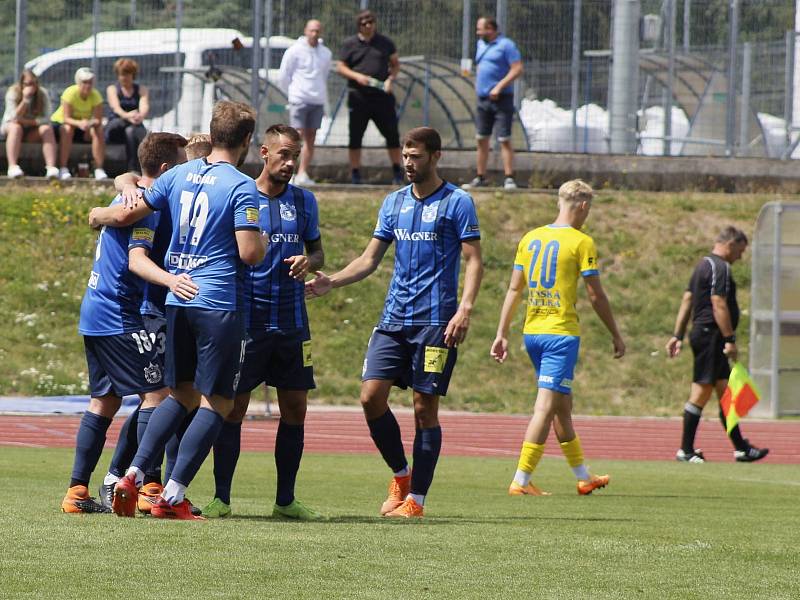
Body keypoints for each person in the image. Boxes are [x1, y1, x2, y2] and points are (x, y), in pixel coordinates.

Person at [90, 100, 267, 520]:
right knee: (218, 401)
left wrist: (102, 210)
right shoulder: (242, 186)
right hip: (218, 301)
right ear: (246, 140)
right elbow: (248, 252)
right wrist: (263, 244)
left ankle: (131, 474)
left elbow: (134, 207)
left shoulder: (180, 175)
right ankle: (172, 495)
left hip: (177, 298)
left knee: (180, 392)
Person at [306, 127, 483, 518]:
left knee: (424, 409)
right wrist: (331, 281)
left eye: (416, 156)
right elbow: (370, 259)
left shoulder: (458, 202)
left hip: (436, 324)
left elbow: (473, 260)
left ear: (435, 157)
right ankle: (401, 475)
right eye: (404, 155)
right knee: (371, 397)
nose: (408, 162)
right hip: (393, 320)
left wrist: (464, 309)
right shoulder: (393, 203)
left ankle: (416, 501)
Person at [61, 133, 190, 514]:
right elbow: (134, 253)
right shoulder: (143, 207)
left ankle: (77, 493)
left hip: (95, 311)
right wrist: (170, 280)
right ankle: (146, 485)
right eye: (181, 166)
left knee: (105, 400)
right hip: (119, 315)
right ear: (166, 170)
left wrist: (119, 185)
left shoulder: (128, 194)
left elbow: (114, 203)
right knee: (158, 396)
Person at [202, 124, 325, 520]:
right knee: (233, 408)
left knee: (295, 409)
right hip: (247, 322)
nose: (290, 163)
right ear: (264, 152)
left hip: (292, 323)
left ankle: (285, 500)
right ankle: (222, 497)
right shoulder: (240, 194)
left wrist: (311, 261)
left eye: (296, 155)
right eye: (284, 154)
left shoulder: (305, 202)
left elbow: (318, 252)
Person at [490, 179, 624, 496]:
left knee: (562, 406)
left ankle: (583, 476)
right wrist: (615, 333)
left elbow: (514, 289)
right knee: (545, 408)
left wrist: (501, 333)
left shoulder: (531, 238)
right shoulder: (581, 242)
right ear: (584, 206)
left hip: (532, 332)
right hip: (560, 335)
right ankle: (521, 481)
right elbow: (596, 295)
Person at [666, 226, 769, 463]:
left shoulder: (702, 264)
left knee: (726, 393)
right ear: (730, 244)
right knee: (701, 392)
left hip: (704, 335)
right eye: (740, 251)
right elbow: (718, 302)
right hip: (711, 335)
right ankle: (685, 450)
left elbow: (687, 300)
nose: (740, 257)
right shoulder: (719, 267)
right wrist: (729, 339)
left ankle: (741, 448)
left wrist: (678, 335)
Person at [337, 10, 402, 185]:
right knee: (356, 137)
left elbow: (395, 64)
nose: (368, 25)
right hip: (359, 97)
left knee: (392, 135)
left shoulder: (385, 43)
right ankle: (356, 173)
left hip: (382, 97)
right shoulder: (350, 44)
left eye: (371, 22)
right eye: (364, 23)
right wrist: (357, 76)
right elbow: (341, 67)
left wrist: (390, 79)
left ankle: (398, 171)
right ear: (359, 26)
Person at [462, 17, 523, 191]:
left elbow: (517, 69)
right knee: (481, 138)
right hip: (483, 100)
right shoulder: (481, 45)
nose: (477, 32)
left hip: (502, 98)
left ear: (490, 29)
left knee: (504, 139)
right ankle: (480, 176)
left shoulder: (506, 45)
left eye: (480, 29)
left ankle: (509, 177)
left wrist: (499, 87)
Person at [279, 19, 332, 187]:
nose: (314, 34)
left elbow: (324, 75)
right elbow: (284, 75)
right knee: (296, 136)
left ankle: (303, 173)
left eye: (317, 30)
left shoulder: (326, 53)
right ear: (305, 30)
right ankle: (289, 172)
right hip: (299, 99)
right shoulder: (294, 50)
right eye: (312, 30)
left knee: (311, 137)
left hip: (317, 100)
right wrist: (292, 93)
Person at [51, 67, 107, 180]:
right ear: (78, 82)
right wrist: (80, 123)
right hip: (62, 125)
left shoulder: (96, 95)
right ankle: (63, 168)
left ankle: (99, 168)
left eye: (90, 82)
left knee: (98, 130)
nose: (87, 85)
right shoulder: (70, 93)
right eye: (84, 82)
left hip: (83, 127)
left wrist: (88, 124)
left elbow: (97, 120)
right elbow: (66, 118)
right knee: (68, 129)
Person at [2, 69, 59, 179]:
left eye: (33, 83)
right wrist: (25, 100)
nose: (30, 87)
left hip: (32, 130)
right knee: (16, 128)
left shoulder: (42, 94)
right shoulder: (12, 92)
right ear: (21, 83)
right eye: (27, 84)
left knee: (46, 129)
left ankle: (51, 168)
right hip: (12, 130)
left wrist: (28, 122)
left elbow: (47, 118)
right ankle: (12, 167)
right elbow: (12, 118)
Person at [105, 58, 149, 173]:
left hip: (134, 125)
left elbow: (144, 106)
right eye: (121, 74)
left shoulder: (142, 89)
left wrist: (140, 116)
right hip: (116, 125)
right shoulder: (112, 89)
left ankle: (133, 170)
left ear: (133, 74)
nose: (124, 77)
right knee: (124, 125)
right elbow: (116, 108)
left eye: (127, 74)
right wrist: (128, 116)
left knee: (131, 131)